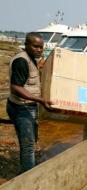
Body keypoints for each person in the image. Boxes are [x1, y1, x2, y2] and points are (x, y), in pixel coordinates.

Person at [6, 32, 53, 173]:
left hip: (27, 106)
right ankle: (28, 178)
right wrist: (41, 100)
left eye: (41, 47)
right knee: (28, 146)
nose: (39, 49)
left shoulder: (32, 58)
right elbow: (16, 87)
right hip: (21, 108)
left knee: (31, 141)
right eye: (35, 46)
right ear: (26, 45)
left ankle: (29, 169)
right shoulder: (21, 61)